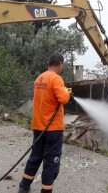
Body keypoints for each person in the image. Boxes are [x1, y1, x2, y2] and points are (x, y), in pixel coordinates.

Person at [18, 53, 71, 193]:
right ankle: (46, 191)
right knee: (51, 162)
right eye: (62, 65)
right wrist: (67, 92)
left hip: (38, 126)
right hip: (53, 129)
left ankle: (24, 186)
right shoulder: (56, 78)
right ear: (60, 64)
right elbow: (64, 99)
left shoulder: (39, 78)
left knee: (35, 157)